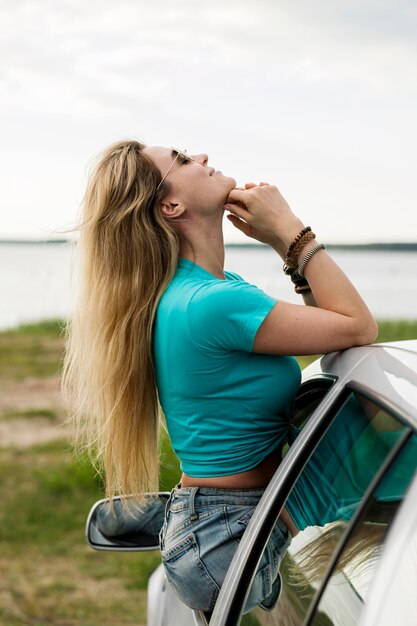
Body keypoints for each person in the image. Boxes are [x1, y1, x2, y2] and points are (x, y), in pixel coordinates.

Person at [63, 140, 378, 613]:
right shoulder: (209, 303)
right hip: (228, 541)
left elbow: (336, 329)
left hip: (224, 528)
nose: (204, 158)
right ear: (171, 205)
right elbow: (358, 327)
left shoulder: (210, 292)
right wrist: (290, 231)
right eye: (185, 160)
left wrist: (286, 248)